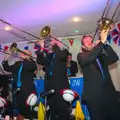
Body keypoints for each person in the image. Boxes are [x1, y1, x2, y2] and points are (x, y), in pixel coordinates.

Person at [77, 30, 119, 120]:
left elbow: (114, 58)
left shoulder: (100, 54)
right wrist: (100, 45)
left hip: (109, 93)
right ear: (83, 45)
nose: (90, 42)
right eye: (86, 41)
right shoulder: (81, 56)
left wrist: (105, 44)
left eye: (90, 40)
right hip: (94, 96)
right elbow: (89, 59)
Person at [36, 40, 70, 120]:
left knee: (63, 110)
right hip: (50, 87)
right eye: (54, 43)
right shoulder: (50, 55)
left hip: (61, 86)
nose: (54, 44)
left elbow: (61, 55)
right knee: (52, 110)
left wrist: (55, 45)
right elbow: (40, 61)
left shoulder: (64, 51)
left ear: (60, 45)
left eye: (57, 43)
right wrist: (41, 49)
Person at [2, 50, 37, 120]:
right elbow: (6, 68)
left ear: (29, 55)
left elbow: (28, 66)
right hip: (18, 90)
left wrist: (26, 58)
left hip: (27, 91)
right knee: (21, 110)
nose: (22, 53)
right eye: (22, 52)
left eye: (25, 53)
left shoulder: (32, 63)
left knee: (29, 111)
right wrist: (7, 57)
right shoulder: (18, 63)